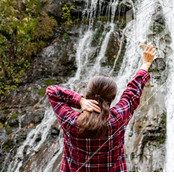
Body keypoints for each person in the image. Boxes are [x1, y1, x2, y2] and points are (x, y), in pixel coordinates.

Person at [46, 43, 157, 172]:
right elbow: (132, 92)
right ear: (112, 99)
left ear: (87, 94)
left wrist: (79, 100)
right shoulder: (117, 119)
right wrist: (145, 65)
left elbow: (52, 91)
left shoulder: (70, 121)